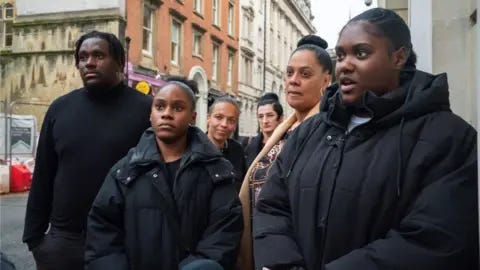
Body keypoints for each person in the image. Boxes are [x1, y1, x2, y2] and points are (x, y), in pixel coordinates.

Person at [253, 8, 478, 270]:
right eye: (341, 55)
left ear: (399, 57)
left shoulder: (449, 138)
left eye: (361, 53)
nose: (345, 65)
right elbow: (271, 208)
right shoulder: (307, 133)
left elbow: (438, 238)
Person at [22, 31, 152, 270]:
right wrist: (35, 239)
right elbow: (43, 174)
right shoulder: (60, 109)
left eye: (98, 55)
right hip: (64, 242)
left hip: (122, 241)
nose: (89, 63)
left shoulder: (146, 110)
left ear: (120, 63)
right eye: (82, 57)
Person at [85, 81, 242, 270]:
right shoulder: (125, 171)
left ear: (193, 116)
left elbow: (223, 236)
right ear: (151, 114)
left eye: (177, 107)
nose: (167, 113)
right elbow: (102, 234)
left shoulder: (217, 171)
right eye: (160, 107)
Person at [236, 35, 333, 270]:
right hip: (260, 249)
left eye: (305, 74)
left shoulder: (329, 133)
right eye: (289, 73)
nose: (293, 81)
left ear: (327, 81)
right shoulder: (284, 131)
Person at [207, 96, 246, 190]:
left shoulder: (237, 150)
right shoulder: (193, 149)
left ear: (235, 125)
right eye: (219, 117)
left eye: (231, 120)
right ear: (208, 118)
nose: (224, 124)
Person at [244, 93, 284, 168]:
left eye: (270, 115)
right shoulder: (247, 144)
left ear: (281, 118)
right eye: (260, 116)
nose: (265, 121)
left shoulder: (288, 143)